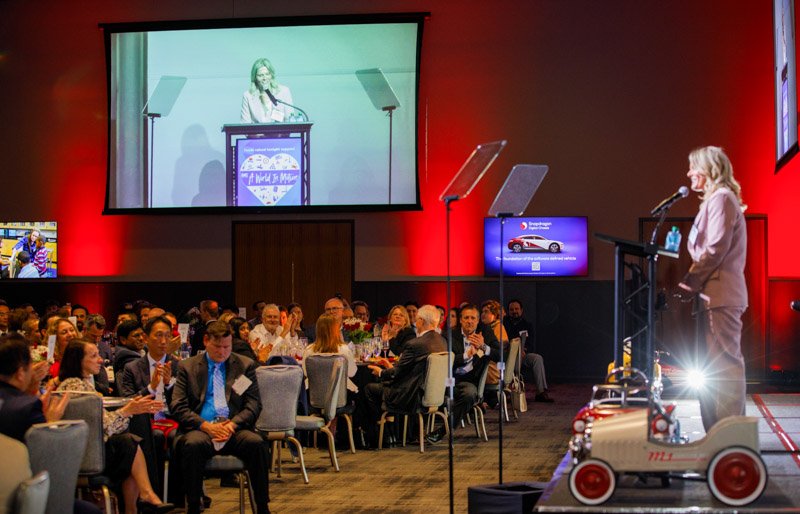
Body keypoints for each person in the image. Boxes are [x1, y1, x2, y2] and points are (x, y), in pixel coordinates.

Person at [56, 339, 172, 514]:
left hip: (93, 449)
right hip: (85, 456)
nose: (101, 360)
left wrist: (130, 410)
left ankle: (140, 502)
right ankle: (145, 496)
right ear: (78, 360)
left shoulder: (85, 384)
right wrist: (126, 411)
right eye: (94, 356)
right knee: (129, 444)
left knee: (129, 447)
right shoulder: (74, 387)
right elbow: (100, 427)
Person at [677, 146, 748, 432]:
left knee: (726, 369)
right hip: (713, 297)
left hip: (721, 295)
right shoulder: (716, 201)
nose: (689, 173)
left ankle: (730, 440)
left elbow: (716, 247)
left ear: (707, 170)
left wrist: (690, 281)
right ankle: (718, 437)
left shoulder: (722, 199)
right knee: (715, 370)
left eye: (693, 167)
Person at [170, 321, 269, 514]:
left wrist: (232, 425)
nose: (223, 352)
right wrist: (206, 426)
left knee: (257, 443)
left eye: (227, 347)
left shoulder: (244, 365)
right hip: (202, 428)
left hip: (233, 428)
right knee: (191, 445)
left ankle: (262, 506)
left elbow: (253, 405)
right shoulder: (187, 367)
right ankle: (193, 505)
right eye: (218, 347)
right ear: (206, 341)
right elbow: (178, 406)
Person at [365, 305, 446, 446]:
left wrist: (381, 372)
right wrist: (389, 368)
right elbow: (407, 370)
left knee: (369, 389)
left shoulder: (415, 344)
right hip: (431, 395)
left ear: (420, 321)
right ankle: (390, 432)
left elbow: (397, 374)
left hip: (410, 397)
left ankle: (381, 436)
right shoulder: (442, 341)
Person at [450, 304, 501, 430]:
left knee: (469, 394)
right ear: (460, 320)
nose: (469, 322)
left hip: (471, 381)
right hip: (452, 380)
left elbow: (501, 355)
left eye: (473, 318)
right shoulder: (450, 336)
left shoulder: (486, 332)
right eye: (466, 318)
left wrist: (483, 346)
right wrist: (466, 355)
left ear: (478, 320)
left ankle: (445, 428)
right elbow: (447, 361)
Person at [503, 299, 553, 402]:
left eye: (516, 309)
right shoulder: (503, 324)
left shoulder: (527, 325)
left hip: (522, 355)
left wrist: (524, 351)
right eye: (511, 309)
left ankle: (541, 392)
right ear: (508, 311)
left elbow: (531, 345)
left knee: (537, 358)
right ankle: (508, 392)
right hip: (507, 356)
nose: (514, 311)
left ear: (521, 310)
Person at [241, 57, 294, 124]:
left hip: (280, 134)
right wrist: (260, 135)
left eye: (267, 74)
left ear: (271, 75)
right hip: (257, 134)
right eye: (260, 75)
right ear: (254, 77)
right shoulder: (248, 95)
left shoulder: (284, 91)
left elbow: (290, 121)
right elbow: (245, 125)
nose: (264, 78)